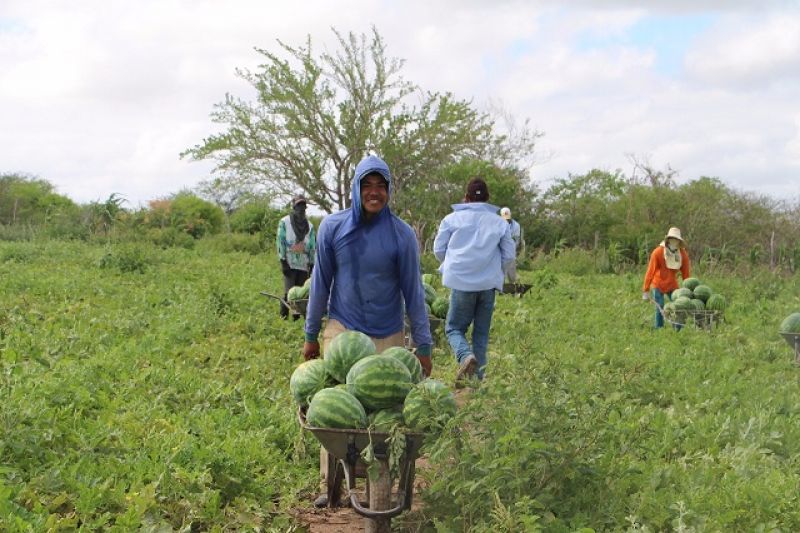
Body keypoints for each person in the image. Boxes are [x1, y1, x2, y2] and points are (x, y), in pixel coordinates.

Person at [303, 154, 433, 507]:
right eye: (367, 185)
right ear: (355, 188)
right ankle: (328, 482)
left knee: (383, 417)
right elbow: (320, 284)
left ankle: (386, 478)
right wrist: (311, 334)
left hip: (387, 335)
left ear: (389, 190)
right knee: (336, 411)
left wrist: (423, 344)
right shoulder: (333, 227)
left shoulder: (402, 235)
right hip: (343, 329)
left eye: (381, 186)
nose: (374, 192)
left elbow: (414, 293)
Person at [433, 178, 516, 385]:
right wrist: (496, 271)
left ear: (466, 197)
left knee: (453, 329)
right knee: (481, 334)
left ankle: (464, 356)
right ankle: (477, 383)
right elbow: (509, 255)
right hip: (488, 286)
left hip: (461, 285)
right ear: (488, 198)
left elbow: (438, 250)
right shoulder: (499, 223)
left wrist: (454, 265)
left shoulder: (451, 220)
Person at [642, 227, 691, 329]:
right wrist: (645, 290)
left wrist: (688, 290)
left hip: (672, 284)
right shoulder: (658, 252)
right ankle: (659, 328)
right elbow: (650, 271)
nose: (674, 240)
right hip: (658, 283)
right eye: (672, 238)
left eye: (676, 239)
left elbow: (686, 274)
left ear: (679, 241)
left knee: (677, 306)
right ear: (668, 239)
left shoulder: (682, 254)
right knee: (659, 306)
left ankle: (678, 328)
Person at [276, 195, 316, 320]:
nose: (301, 208)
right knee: (289, 292)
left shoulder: (309, 226)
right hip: (289, 262)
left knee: (300, 294)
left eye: (303, 205)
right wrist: (283, 261)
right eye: (298, 205)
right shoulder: (284, 222)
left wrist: (312, 263)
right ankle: (283, 317)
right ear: (294, 206)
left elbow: (312, 245)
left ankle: (296, 319)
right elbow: (280, 241)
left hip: (303, 264)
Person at [499, 207, 523, 283]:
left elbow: (516, 240)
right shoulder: (498, 224)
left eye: (507, 218)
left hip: (511, 253)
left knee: (512, 276)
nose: (506, 220)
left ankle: (514, 289)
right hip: (500, 253)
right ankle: (500, 290)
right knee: (500, 274)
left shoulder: (516, 226)